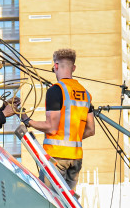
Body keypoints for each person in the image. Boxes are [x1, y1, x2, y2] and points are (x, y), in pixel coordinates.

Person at [18, 48, 94, 191]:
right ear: (74, 68)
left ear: (56, 66)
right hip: (76, 159)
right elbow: (90, 130)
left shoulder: (56, 90)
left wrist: (28, 121)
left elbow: (51, 127)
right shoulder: (86, 94)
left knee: (49, 202)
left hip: (56, 157)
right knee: (68, 206)